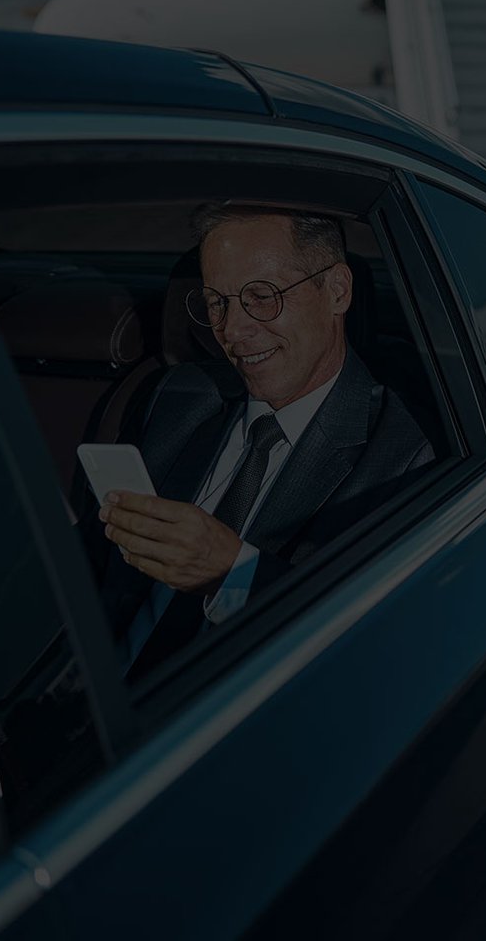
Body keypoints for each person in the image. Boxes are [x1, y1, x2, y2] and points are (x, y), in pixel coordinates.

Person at [96, 203, 433, 681]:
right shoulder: (177, 398)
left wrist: (232, 574)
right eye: (217, 302)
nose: (232, 330)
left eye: (262, 295)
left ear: (336, 291)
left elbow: (368, 648)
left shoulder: (402, 455)